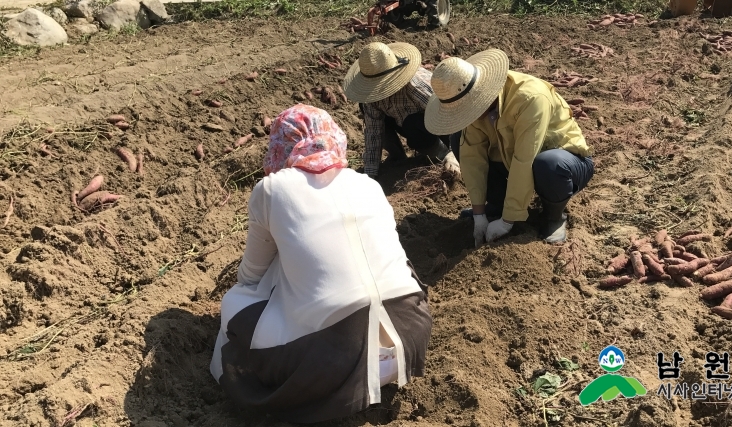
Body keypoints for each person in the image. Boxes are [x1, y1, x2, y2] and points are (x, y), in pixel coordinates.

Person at [209, 104, 432, 424]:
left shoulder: (272, 189)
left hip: (328, 362)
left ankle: (256, 382)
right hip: (410, 337)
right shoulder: (368, 185)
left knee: (234, 300)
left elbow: (250, 275)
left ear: (281, 145)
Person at [423, 49, 594, 245]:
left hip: (563, 163)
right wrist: (479, 214)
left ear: (481, 94)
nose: (466, 114)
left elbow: (525, 159)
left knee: (548, 164)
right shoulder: (471, 106)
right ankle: (497, 205)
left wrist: (507, 222)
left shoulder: (529, 98)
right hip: (511, 159)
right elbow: (473, 157)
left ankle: (554, 217)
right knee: (458, 141)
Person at [342, 41, 460, 180]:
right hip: (407, 125)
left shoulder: (415, 86)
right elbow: (374, 133)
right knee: (371, 111)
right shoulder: (371, 98)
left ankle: (441, 153)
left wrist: (453, 152)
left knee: (412, 122)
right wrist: (370, 174)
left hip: (439, 128)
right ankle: (398, 157)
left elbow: (450, 113)